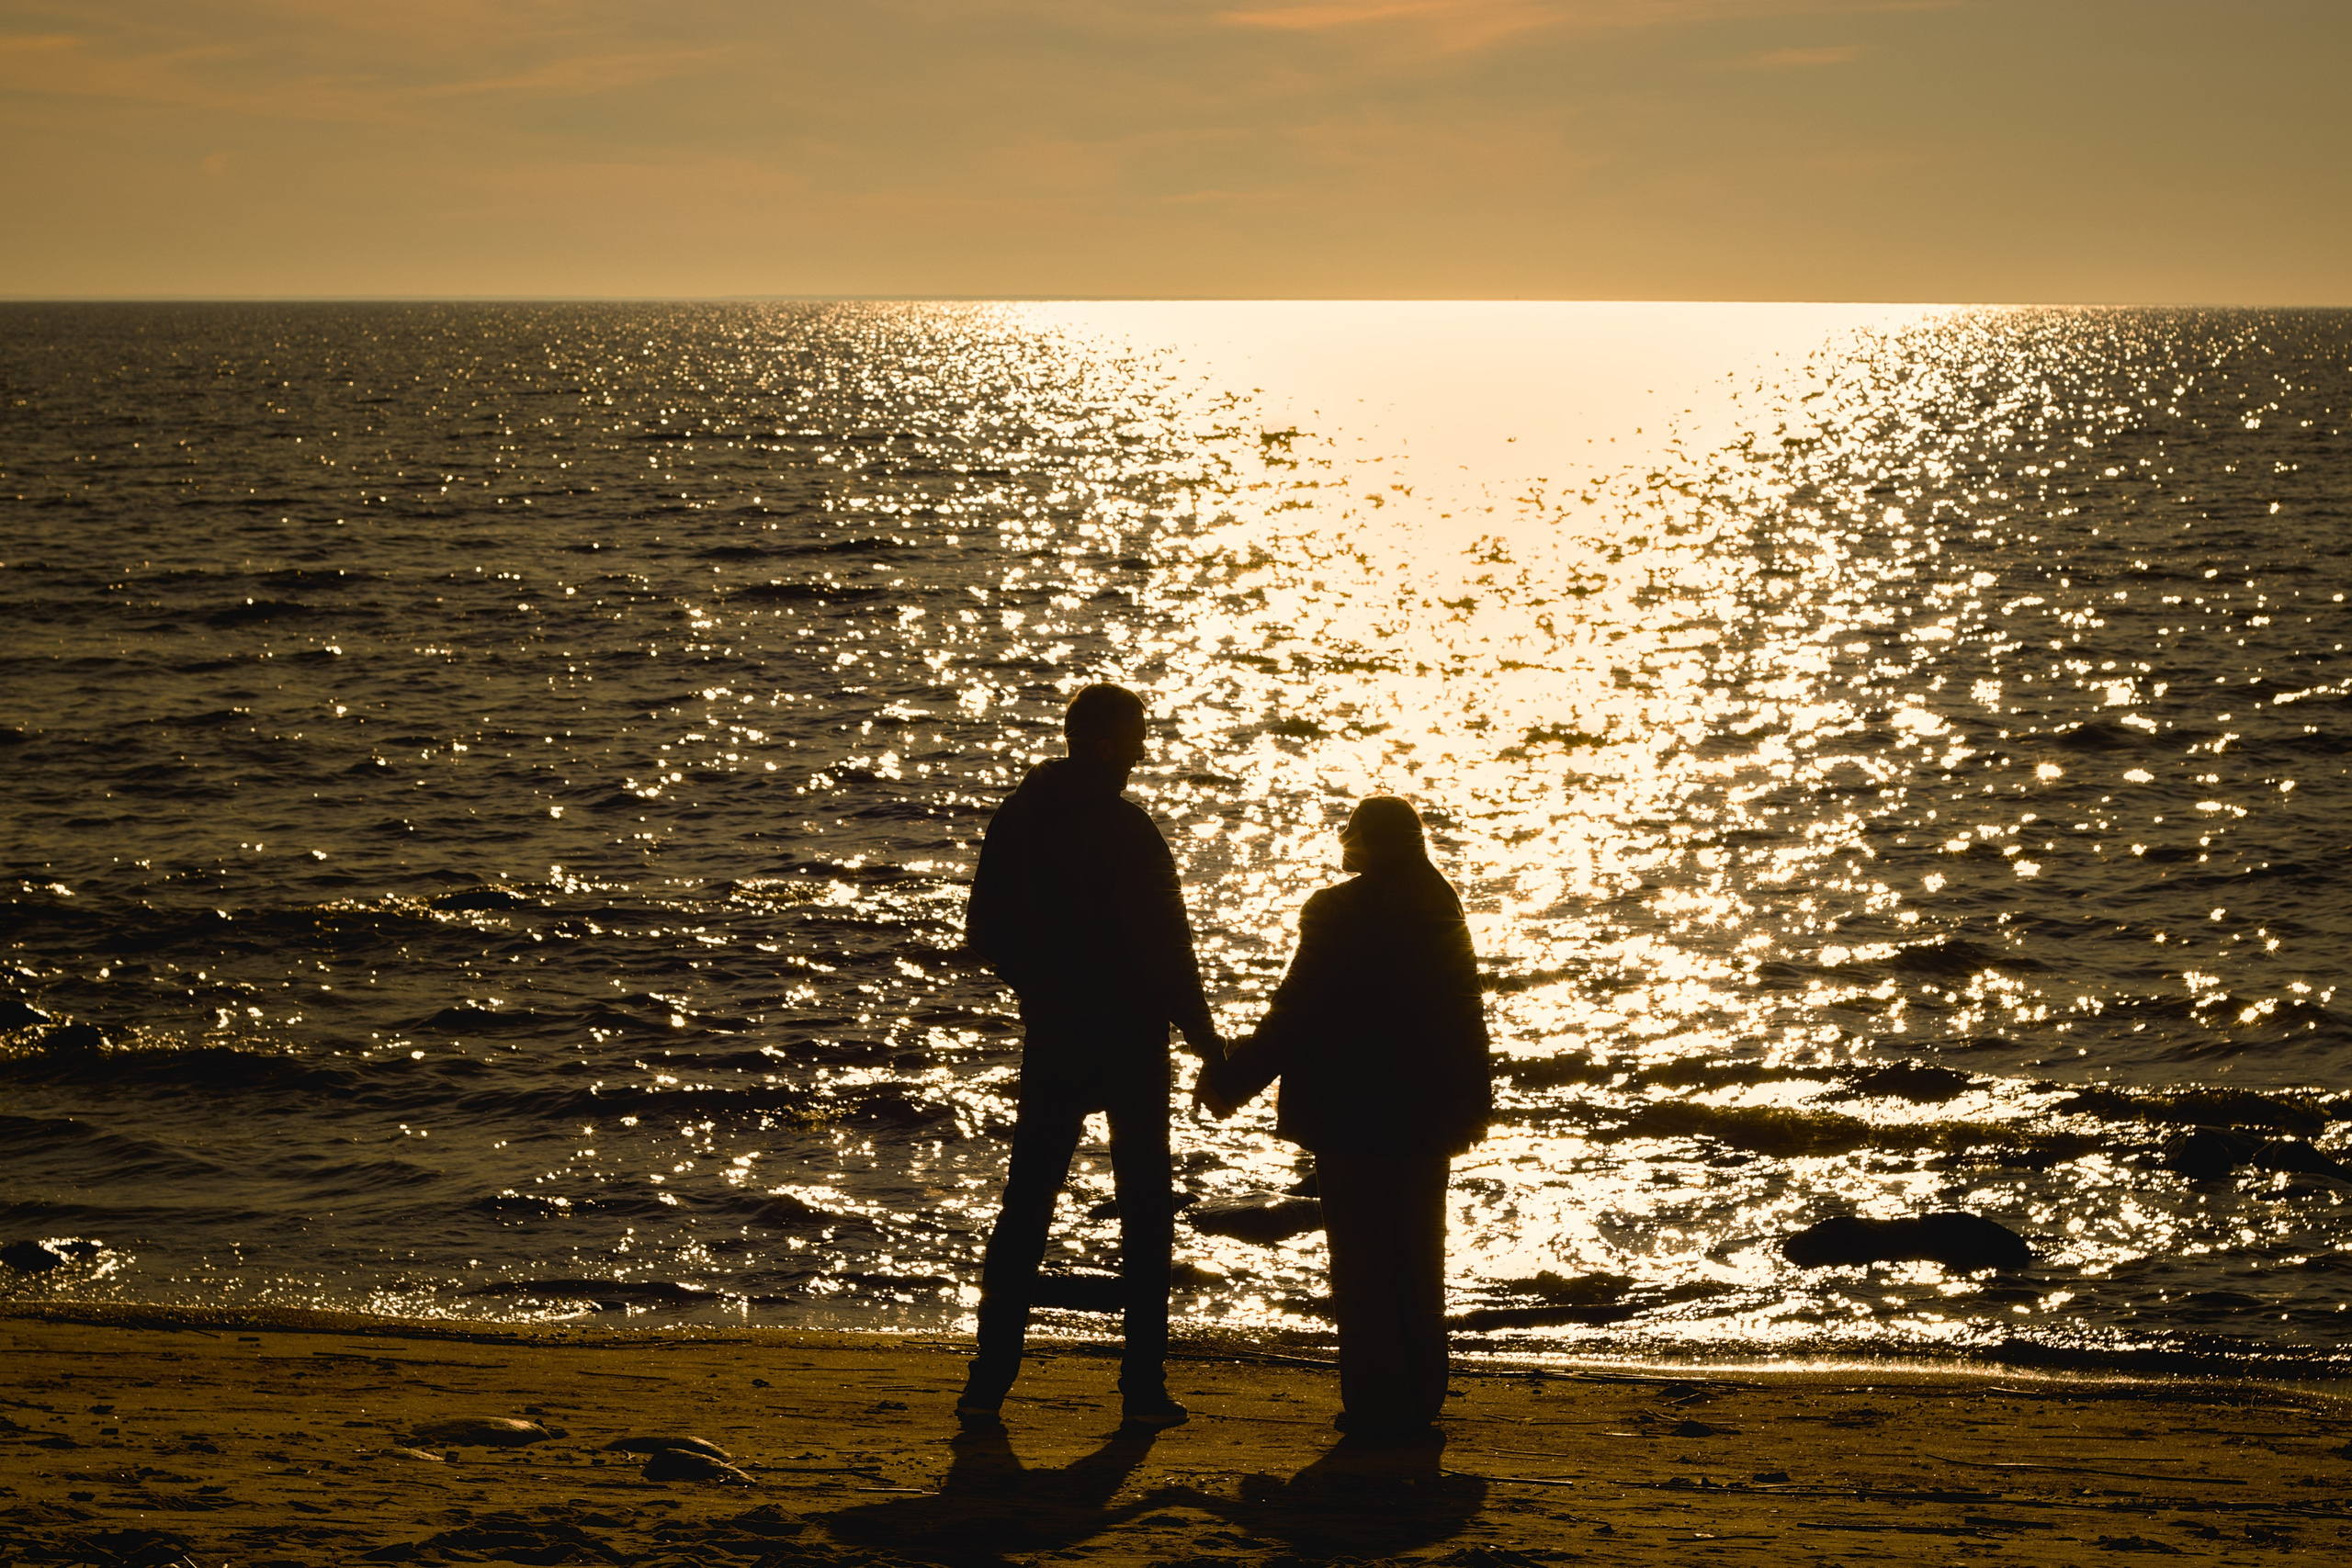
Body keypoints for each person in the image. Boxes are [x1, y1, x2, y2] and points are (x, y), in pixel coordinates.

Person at [959, 682, 1224, 1429]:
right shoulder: (1125, 830)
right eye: (1136, 735)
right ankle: (1141, 1385)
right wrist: (1207, 1044)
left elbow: (984, 928)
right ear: (1106, 743)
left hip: (1055, 1032)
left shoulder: (1021, 817)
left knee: (1026, 1206)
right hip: (1130, 1038)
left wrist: (1041, 984)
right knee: (1146, 1214)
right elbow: (1171, 953)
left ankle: (989, 1379)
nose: (1144, 748)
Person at [1203, 795, 1490, 1438]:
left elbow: (1295, 1010)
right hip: (1425, 1114)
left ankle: (1375, 1402)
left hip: (1350, 1112)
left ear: (1361, 843)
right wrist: (1473, 1105)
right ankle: (1420, 1398)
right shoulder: (1441, 903)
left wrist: (1234, 1077)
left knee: (1361, 1259)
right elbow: (1466, 1013)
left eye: (1351, 834)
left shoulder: (1333, 910)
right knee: (1420, 1254)